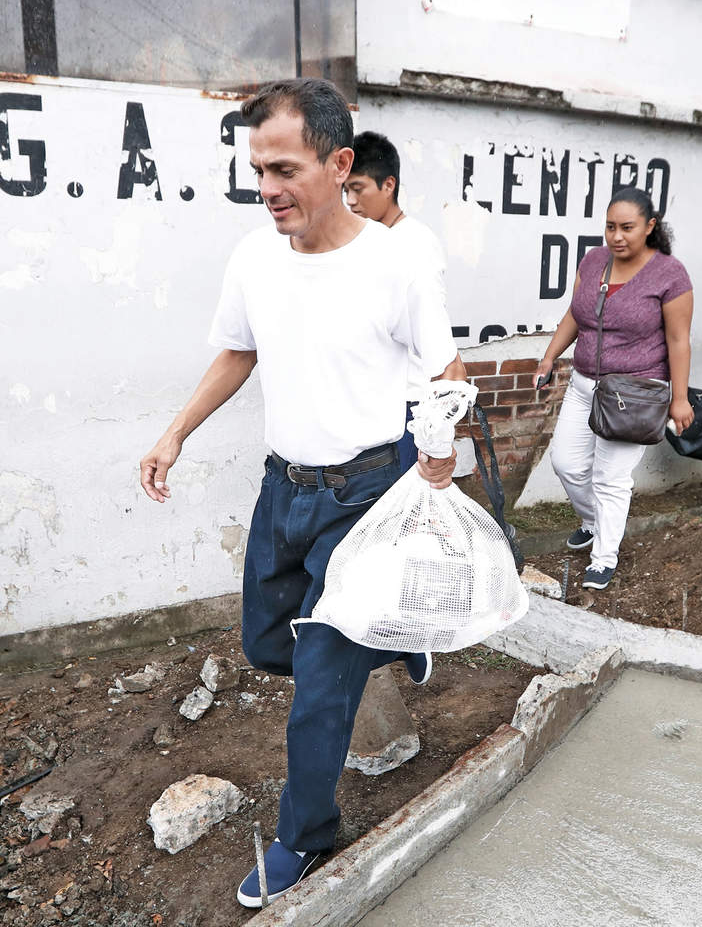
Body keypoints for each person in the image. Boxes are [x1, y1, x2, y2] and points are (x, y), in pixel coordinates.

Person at [138, 79, 465, 907]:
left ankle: (305, 838)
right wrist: (176, 432)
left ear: (339, 163)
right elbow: (238, 352)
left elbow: (446, 369)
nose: (267, 187)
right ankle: (390, 639)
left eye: (284, 169)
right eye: (259, 169)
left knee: (318, 687)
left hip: (366, 494)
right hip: (283, 490)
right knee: (263, 644)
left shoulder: (394, 263)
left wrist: (439, 447)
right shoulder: (255, 258)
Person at [534, 187, 693, 591]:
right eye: (610, 227)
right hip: (585, 384)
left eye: (627, 228)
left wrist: (679, 399)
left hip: (634, 391)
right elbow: (576, 314)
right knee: (567, 464)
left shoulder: (670, 275)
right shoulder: (593, 261)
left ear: (650, 226)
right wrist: (550, 356)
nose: (616, 236)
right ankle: (593, 522)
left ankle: (603, 558)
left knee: (611, 478)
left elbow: (678, 340)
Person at [345, 131, 449, 474]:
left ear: (388, 185)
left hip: (408, 404)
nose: (350, 201)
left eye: (358, 188)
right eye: (345, 191)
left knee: (402, 500)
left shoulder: (414, 243)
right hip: (374, 400)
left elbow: (433, 332)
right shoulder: (369, 241)